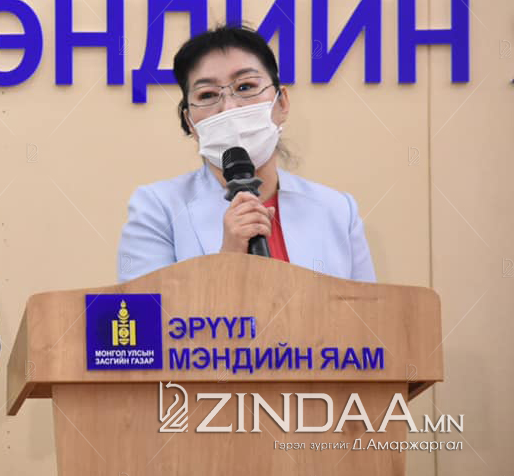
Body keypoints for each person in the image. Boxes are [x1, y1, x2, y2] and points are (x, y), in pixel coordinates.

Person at [117, 25, 376, 284]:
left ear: (282, 102)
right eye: (207, 94)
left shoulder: (338, 210)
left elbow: (368, 307)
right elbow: (145, 307)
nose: (229, 107)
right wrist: (228, 257)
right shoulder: (157, 209)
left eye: (245, 87)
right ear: (190, 123)